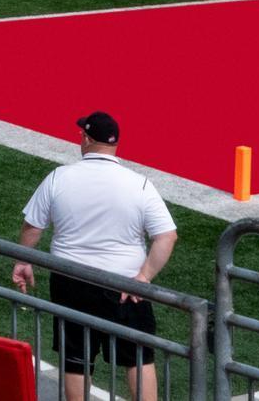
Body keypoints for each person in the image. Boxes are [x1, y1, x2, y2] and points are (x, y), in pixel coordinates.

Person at [11, 112, 176, 400]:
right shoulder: (139, 184)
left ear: (86, 139)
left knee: (75, 357)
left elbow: (32, 227)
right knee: (138, 356)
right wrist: (143, 277)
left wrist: (24, 261)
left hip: (71, 282)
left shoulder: (59, 177)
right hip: (126, 286)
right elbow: (166, 236)